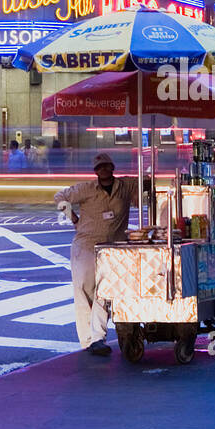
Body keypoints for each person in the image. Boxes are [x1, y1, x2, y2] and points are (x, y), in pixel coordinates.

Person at [54, 152, 151, 357]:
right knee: (83, 290)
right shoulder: (86, 189)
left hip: (113, 247)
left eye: (107, 166)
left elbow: (146, 182)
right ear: (95, 171)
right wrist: (72, 217)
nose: (104, 170)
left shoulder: (124, 187)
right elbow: (60, 197)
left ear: (113, 168)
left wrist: (150, 168)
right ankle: (87, 340)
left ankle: (97, 338)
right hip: (86, 245)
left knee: (105, 291)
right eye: (100, 167)